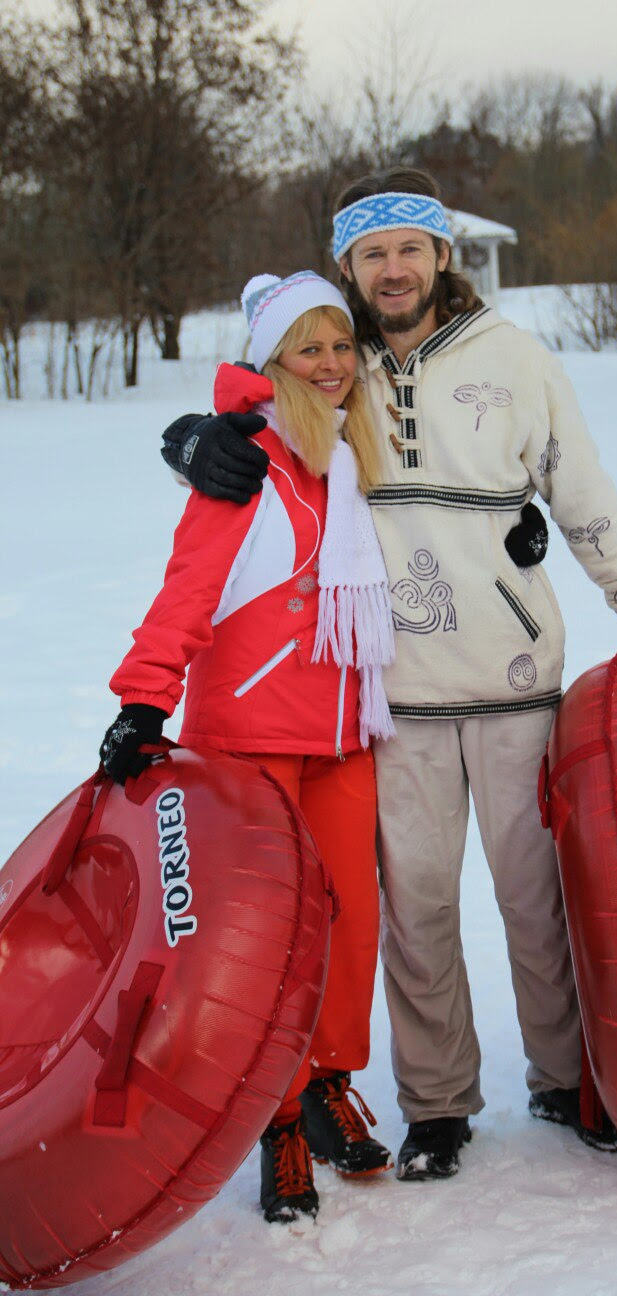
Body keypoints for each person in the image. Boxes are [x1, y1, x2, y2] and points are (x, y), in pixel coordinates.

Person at [160, 169, 617, 1182]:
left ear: (442, 255)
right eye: (372, 254)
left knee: (536, 898)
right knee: (413, 906)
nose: (394, 268)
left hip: (511, 675)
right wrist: (193, 442)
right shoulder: (335, 363)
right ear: (348, 269)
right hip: (388, 692)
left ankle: (561, 1078)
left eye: (410, 247)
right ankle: (438, 1105)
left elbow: (584, 491)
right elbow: (255, 414)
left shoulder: (515, 358)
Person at [100, 271, 398, 1223]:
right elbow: (188, 591)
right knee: (267, 943)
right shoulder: (244, 462)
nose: (331, 366)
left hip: (348, 737)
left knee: (350, 925)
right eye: (308, 349)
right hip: (251, 749)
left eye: (342, 346)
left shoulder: (358, 455)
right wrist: (145, 703)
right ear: (271, 363)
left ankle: (328, 1083)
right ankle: (273, 1118)